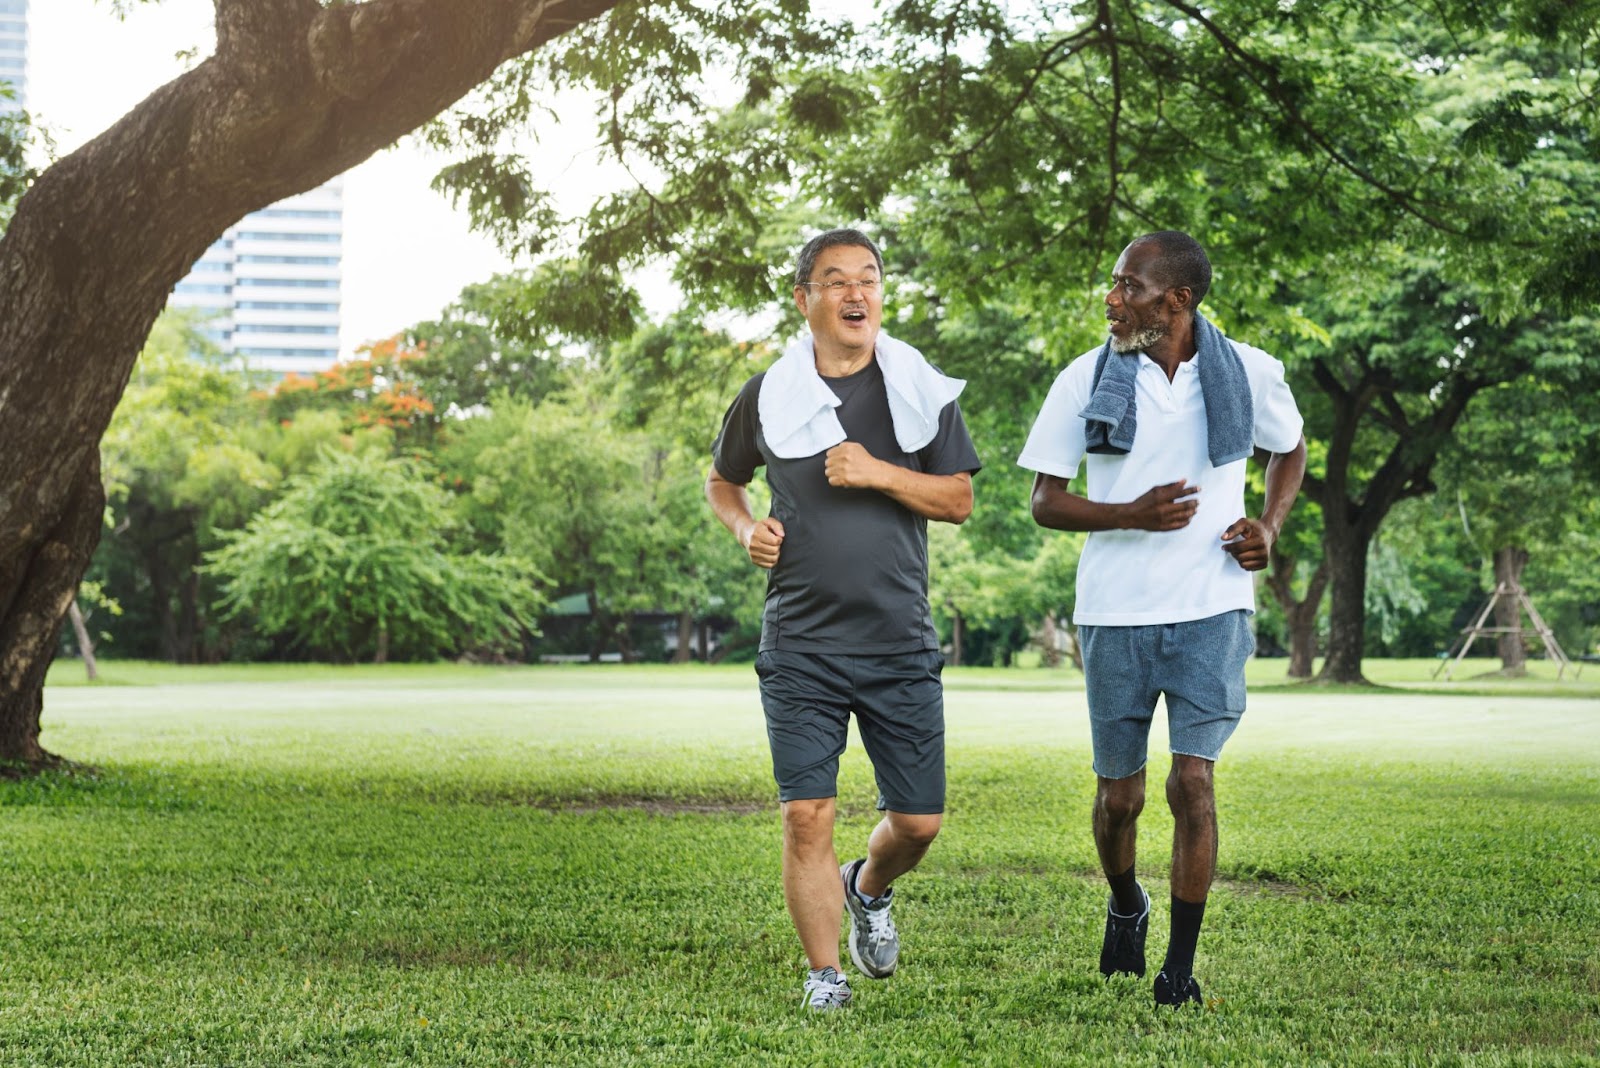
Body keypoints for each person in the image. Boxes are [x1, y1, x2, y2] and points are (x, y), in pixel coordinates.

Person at [1017, 231, 1306, 1008]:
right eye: (1113, 283)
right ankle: (1124, 902)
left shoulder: (1248, 370)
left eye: (1129, 287)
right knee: (1121, 800)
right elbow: (1044, 500)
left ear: (1177, 300)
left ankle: (1180, 967)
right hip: (1115, 614)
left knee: (1193, 785)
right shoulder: (1084, 379)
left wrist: (1268, 526)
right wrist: (1130, 514)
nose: (1113, 298)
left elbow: (1290, 449)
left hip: (1212, 605)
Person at [705, 228, 982, 1011]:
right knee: (806, 814)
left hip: (898, 638)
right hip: (801, 642)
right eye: (836, 281)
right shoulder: (769, 394)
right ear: (806, 300)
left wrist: (878, 471)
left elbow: (958, 500)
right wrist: (743, 528)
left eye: (869, 279)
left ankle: (869, 886)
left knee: (920, 823)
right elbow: (723, 482)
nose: (857, 293)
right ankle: (825, 975)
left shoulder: (919, 390)